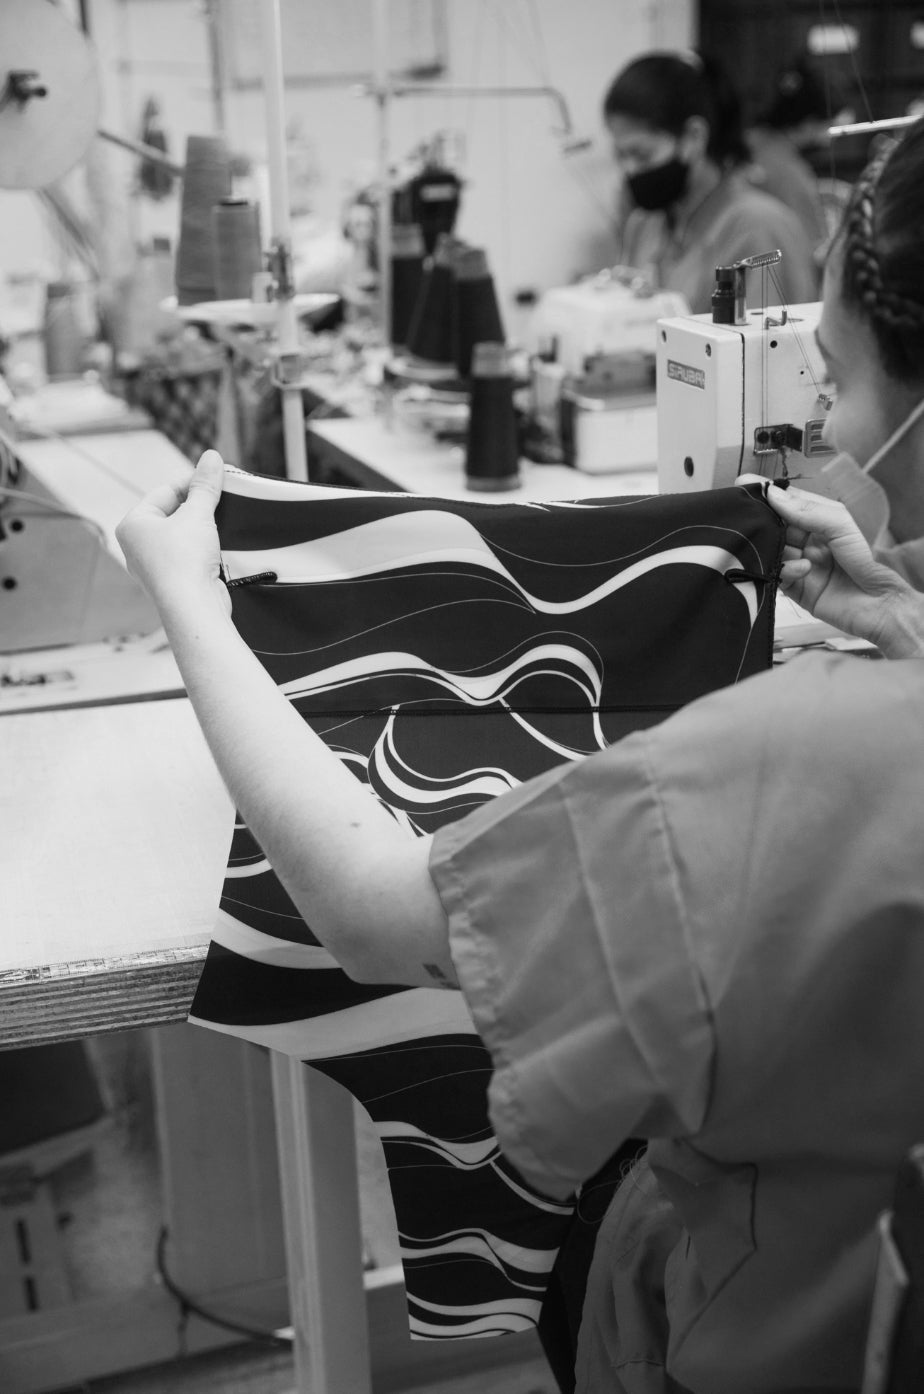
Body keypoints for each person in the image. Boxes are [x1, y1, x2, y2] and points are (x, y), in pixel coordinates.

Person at [116, 122, 924, 1393]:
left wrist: (195, 612)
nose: (813, 411)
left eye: (827, 371)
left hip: (790, 1340)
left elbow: (380, 913)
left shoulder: (782, 766)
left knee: (593, 1151)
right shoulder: (879, 673)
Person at [605, 50, 818, 312]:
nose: (629, 170)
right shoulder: (646, 225)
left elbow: (769, 348)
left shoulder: (759, 230)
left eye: (641, 155)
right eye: (621, 155)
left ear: (693, 137)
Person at [746, 58, 851, 267]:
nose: (830, 138)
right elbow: (814, 254)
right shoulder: (791, 174)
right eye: (829, 128)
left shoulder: (747, 142)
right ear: (809, 124)